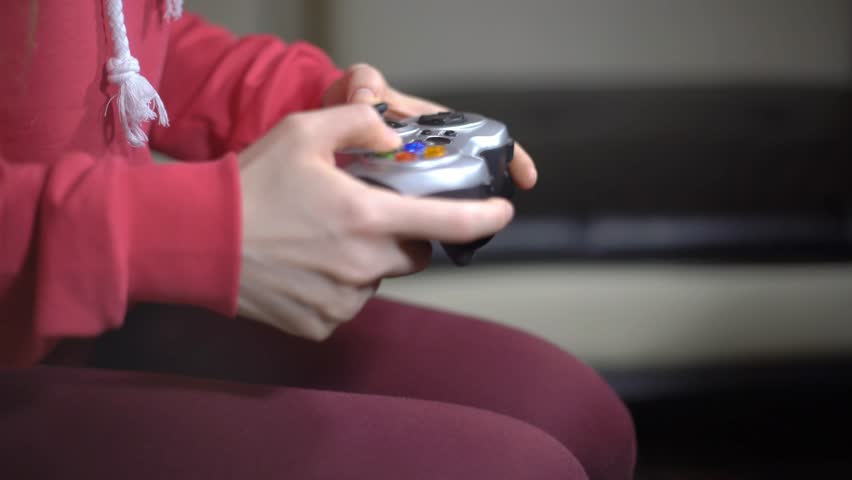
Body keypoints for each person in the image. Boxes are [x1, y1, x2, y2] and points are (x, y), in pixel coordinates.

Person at [0, 2, 636, 479]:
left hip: (91, 310)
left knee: (576, 410)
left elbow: (112, 37)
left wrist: (305, 105)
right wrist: (179, 235)